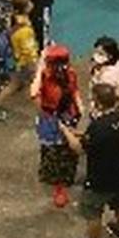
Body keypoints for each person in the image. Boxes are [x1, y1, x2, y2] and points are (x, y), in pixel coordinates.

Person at [64, 81, 119, 238]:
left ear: (99, 103)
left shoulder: (99, 126)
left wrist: (64, 130)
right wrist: (81, 134)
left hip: (101, 178)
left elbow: (79, 149)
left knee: (92, 211)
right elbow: (101, 137)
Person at [33, 43, 81, 208]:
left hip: (68, 115)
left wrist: (79, 106)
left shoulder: (70, 74)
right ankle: (55, 181)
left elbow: (74, 90)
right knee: (52, 149)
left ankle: (63, 182)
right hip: (50, 119)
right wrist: (40, 68)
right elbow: (34, 93)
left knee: (66, 150)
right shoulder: (44, 76)